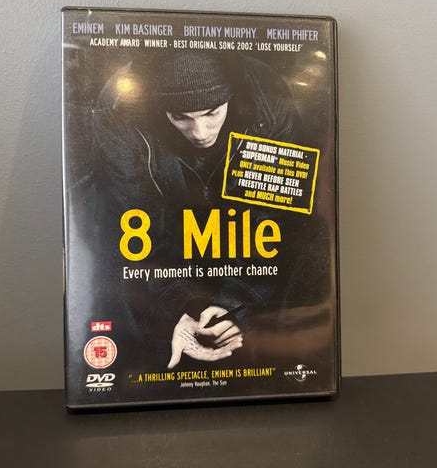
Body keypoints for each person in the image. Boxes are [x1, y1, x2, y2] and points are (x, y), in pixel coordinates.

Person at [92, 51, 329, 370]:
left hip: (250, 242)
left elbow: (278, 220)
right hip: (172, 240)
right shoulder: (119, 113)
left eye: (212, 113)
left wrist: (235, 302)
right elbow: (133, 228)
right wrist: (180, 307)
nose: (200, 132)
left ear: (231, 99)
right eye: (180, 117)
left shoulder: (268, 105)